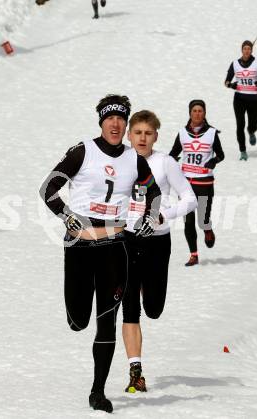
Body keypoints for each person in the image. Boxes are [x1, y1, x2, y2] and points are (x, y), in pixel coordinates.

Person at [39, 95, 161, 413]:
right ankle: (76, 317)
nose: (116, 124)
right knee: (79, 321)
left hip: (115, 245)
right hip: (80, 244)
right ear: (102, 122)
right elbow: (48, 188)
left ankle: (97, 392)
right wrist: (66, 215)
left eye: (121, 119)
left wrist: (150, 217)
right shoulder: (83, 151)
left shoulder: (134, 159)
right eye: (110, 119)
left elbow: (155, 192)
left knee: (106, 322)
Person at [122, 110, 197, 393]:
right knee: (129, 308)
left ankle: (144, 287)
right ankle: (135, 371)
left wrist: (164, 214)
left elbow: (190, 198)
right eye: (137, 132)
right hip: (126, 240)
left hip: (157, 242)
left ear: (156, 136)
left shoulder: (165, 163)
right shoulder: (120, 162)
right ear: (129, 135)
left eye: (148, 133)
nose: (142, 138)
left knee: (153, 308)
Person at [169, 99, 225, 266]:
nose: (197, 113)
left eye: (200, 111)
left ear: (204, 113)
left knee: (202, 219)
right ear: (190, 113)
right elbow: (173, 153)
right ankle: (194, 254)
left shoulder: (212, 133)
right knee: (189, 220)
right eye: (194, 111)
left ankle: (207, 229)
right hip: (185, 183)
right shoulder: (182, 133)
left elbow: (221, 155)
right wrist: (172, 159)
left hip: (205, 182)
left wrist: (214, 161)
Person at [224, 40, 257, 161]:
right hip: (239, 98)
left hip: (253, 97)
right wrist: (230, 85)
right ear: (241, 50)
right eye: (245, 48)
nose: (247, 51)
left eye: (249, 48)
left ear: (252, 50)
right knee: (240, 125)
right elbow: (226, 81)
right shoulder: (234, 64)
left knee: (253, 124)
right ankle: (243, 151)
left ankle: (251, 131)